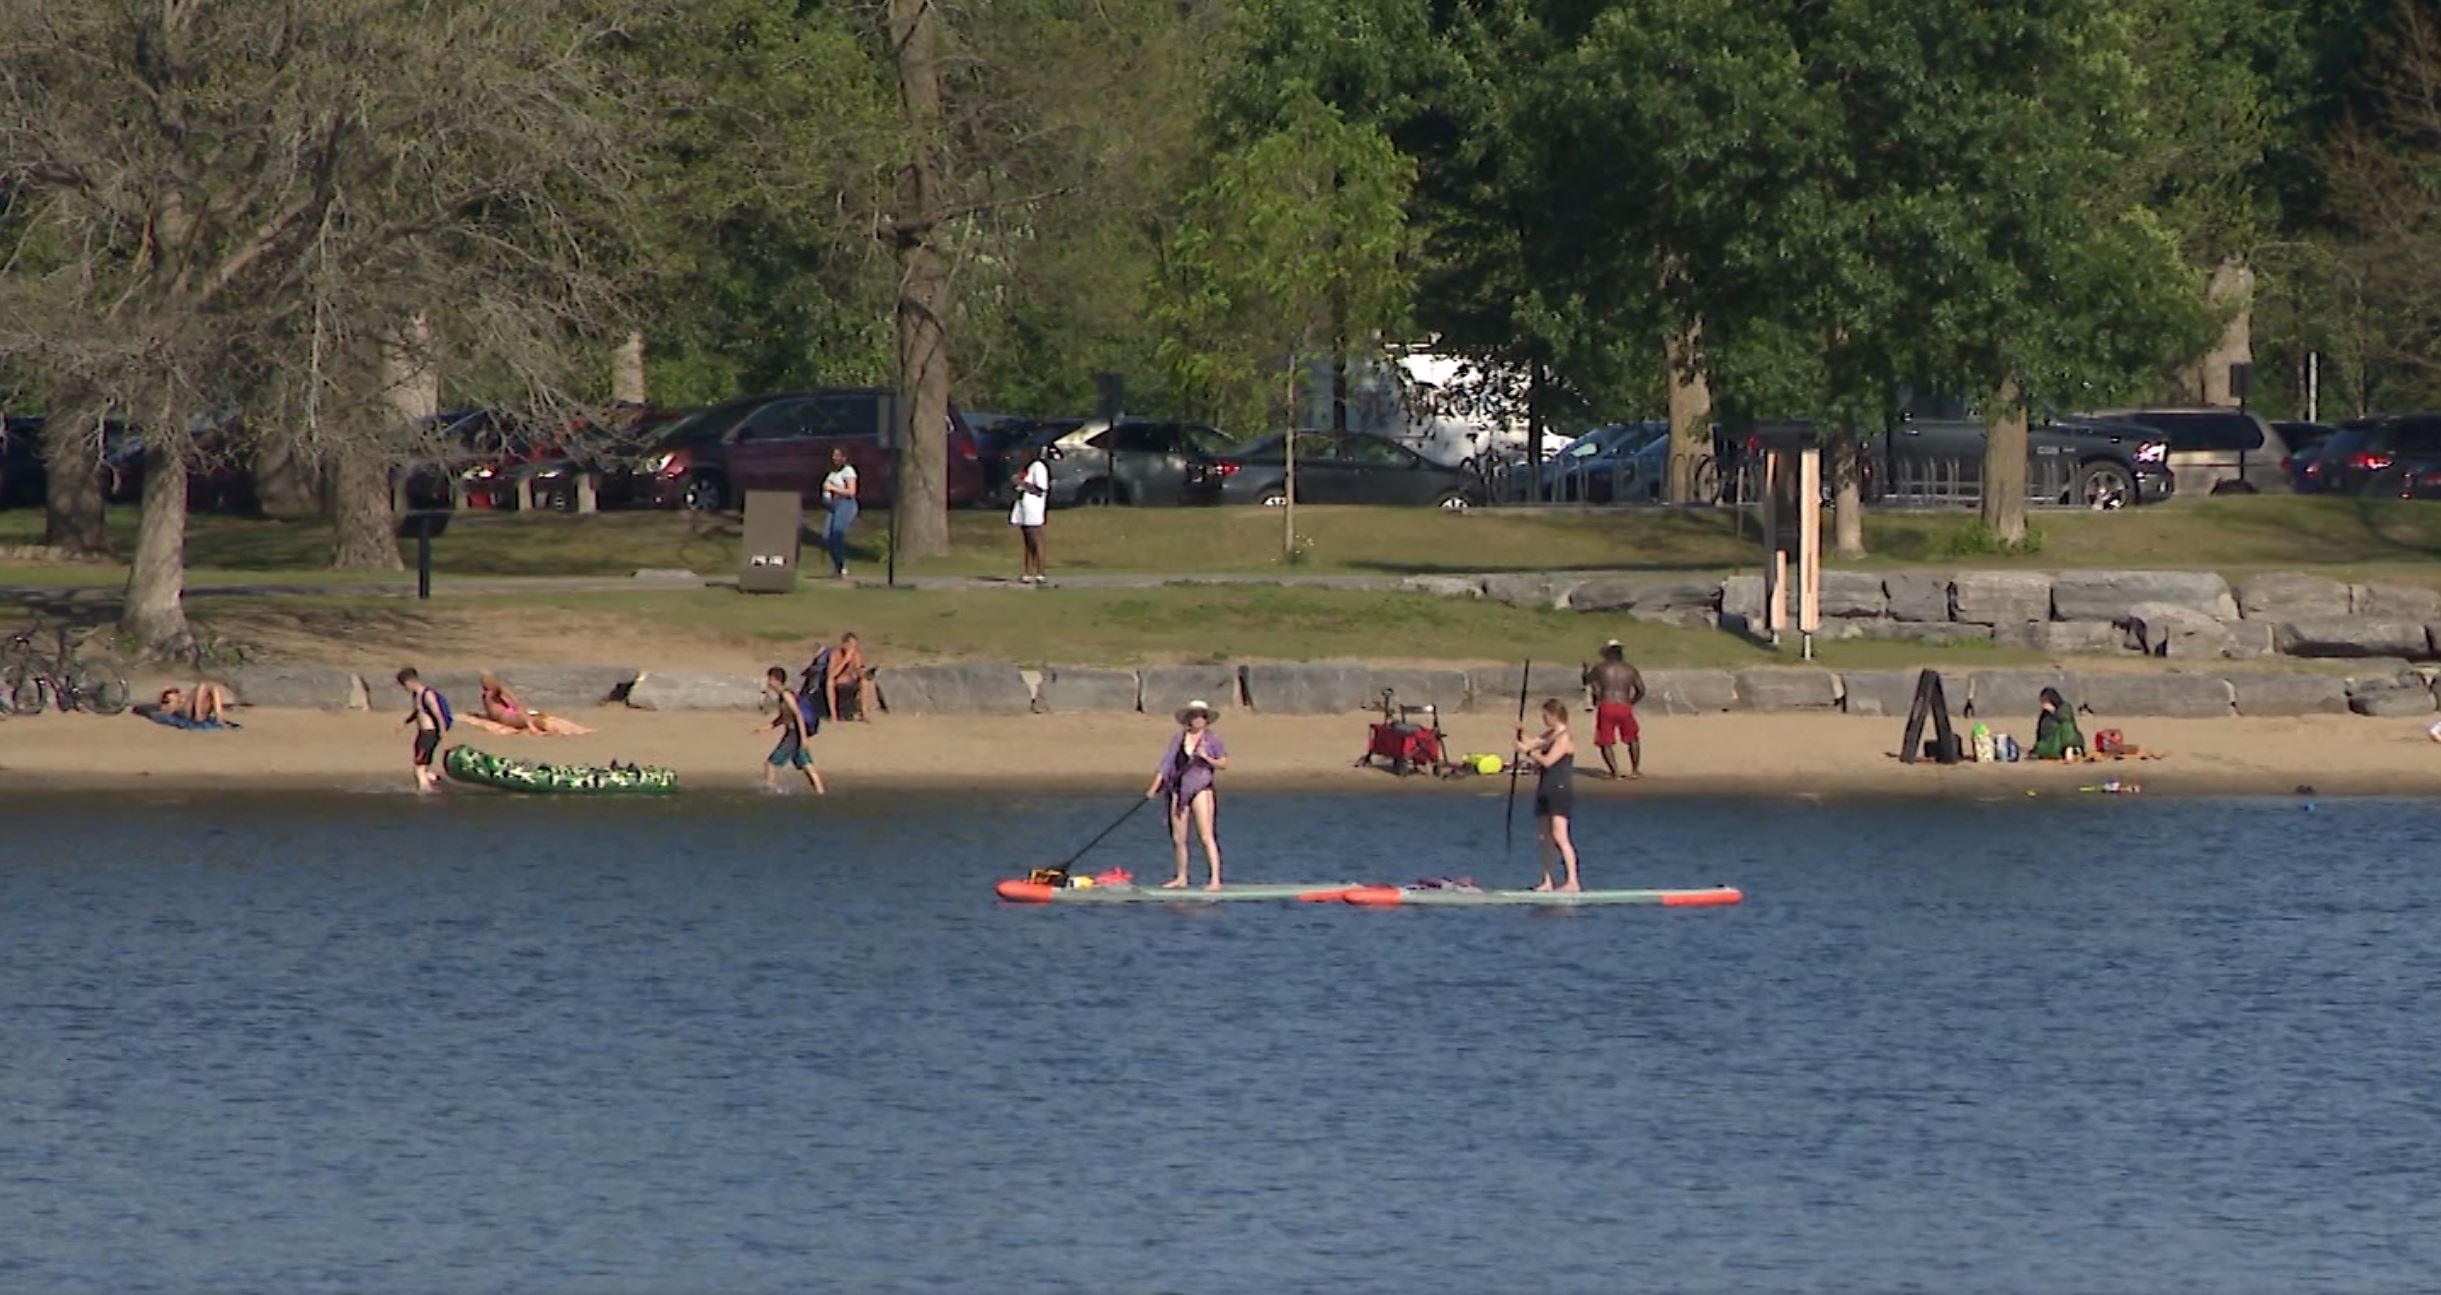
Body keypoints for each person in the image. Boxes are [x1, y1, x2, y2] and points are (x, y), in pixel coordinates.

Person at [1146, 698, 1227, 889]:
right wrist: (1153, 788)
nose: (1199, 720)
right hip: (1179, 789)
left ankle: (1215, 879)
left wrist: (1206, 758)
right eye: (1195, 717)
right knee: (1178, 837)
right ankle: (1181, 877)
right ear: (1188, 719)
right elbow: (1166, 765)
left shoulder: (1212, 739)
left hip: (1201, 788)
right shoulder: (1178, 738)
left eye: (1202, 717)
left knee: (1206, 836)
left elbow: (1223, 763)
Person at [1517, 697, 1581, 892]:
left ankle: (1572, 881)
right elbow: (1532, 742)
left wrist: (1528, 753)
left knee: (1560, 835)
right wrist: (1520, 732)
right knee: (1544, 837)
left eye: (1545, 716)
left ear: (1554, 716)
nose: (1543, 719)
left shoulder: (1564, 737)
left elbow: (1548, 761)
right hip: (1545, 787)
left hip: (1559, 789)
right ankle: (1547, 880)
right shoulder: (1550, 735)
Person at [1582, 638, 1646, 779]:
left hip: (1606, 705)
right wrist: (1631, 703)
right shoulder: (1630, 669)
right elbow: (1641, 690)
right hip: (1624, 705)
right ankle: (1634, 771)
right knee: (1632, 738)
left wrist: (1585, 670)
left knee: (1605, 740)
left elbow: (1587, 680)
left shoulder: (1601, 668)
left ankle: (1615, 772)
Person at [758, 665, 825, 794]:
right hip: (793, 733)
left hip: (795, 734)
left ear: (775, 679)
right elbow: (783, 718)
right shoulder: (782, 697)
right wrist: (766, 728)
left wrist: (804, 738)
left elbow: (798, 715)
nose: (767, 681)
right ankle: (820, 792)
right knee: (806, 765)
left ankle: (770, 790)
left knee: (771, 764)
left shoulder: (786, 695)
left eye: (768, 679)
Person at [475, 673, 595, 736]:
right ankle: (578, 731)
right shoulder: (488, 693)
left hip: (509, 716)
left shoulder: (496, 689)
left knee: (539, 721)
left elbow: (516, 702)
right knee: (539, 720)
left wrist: (530, 725)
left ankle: (577, 731)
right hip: (506, 716)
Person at [397, 667, 447, 793]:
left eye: (404, 685)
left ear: (409, 682)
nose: (405, 689)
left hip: (429, 734)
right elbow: (418, 711)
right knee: (423, 766)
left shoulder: (428, 694)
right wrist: (405, 722)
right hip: (423, 734)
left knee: (419, 767)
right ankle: (437, 780)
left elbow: (438, 714)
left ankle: (424, 792)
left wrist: (443, 732)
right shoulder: (417, 695)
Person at [1010, 444, 1050, 584]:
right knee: (1027, 541)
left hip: (1033, 507)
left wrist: (1021, 483)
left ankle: (1041, 572)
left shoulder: (1038, 467)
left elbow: (1040, 489)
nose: (1022, 456)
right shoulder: (1027, 468)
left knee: (1036, 539)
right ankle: (1028, 571)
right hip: (1023, 506)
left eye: (1024, 453)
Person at [821, 447, 859, 582]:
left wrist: (832, 488)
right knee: (827, 536)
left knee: (837, 534)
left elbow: (851, 491)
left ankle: (842, 568)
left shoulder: (848, 471)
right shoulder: (832, 472)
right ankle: (837, 566)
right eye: (833, 455)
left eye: (838, 455)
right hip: (833, 505)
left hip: (846, 504)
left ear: (845, 457)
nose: (835, 458)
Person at [824, 631, 871, 723]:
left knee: (864, 682)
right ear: (844, 644)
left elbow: (860, 672)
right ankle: (834, 715)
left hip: (851, 680)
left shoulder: (856, 654)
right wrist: (845, 660)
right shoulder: (835, 654)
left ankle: (865, 713)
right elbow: (831, 674)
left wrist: (859, 669)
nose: (853, 648)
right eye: (850, 645)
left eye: (854, 645)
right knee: (829, 682)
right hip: (838, 681)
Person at [2032, 686, 2084, 760]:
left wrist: (2053, 711)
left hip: (2067, 739)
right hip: (2050, 742)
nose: (2043, 705)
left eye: (2045, 702)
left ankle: (2069, 750)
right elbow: (2039, 730)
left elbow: (2067, 720)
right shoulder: (2045, 714)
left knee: (2066, 726)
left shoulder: (2065, 707)